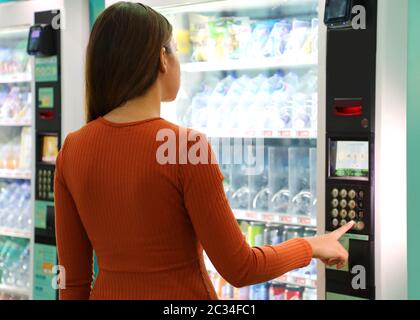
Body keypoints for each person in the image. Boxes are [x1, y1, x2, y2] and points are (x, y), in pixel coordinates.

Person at [54, 1, 354, 300]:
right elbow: (241, 267)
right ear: (162, 58)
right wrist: (312, 246)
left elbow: (71, 283)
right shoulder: (185, 147)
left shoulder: (72, 149)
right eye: (175, 50)